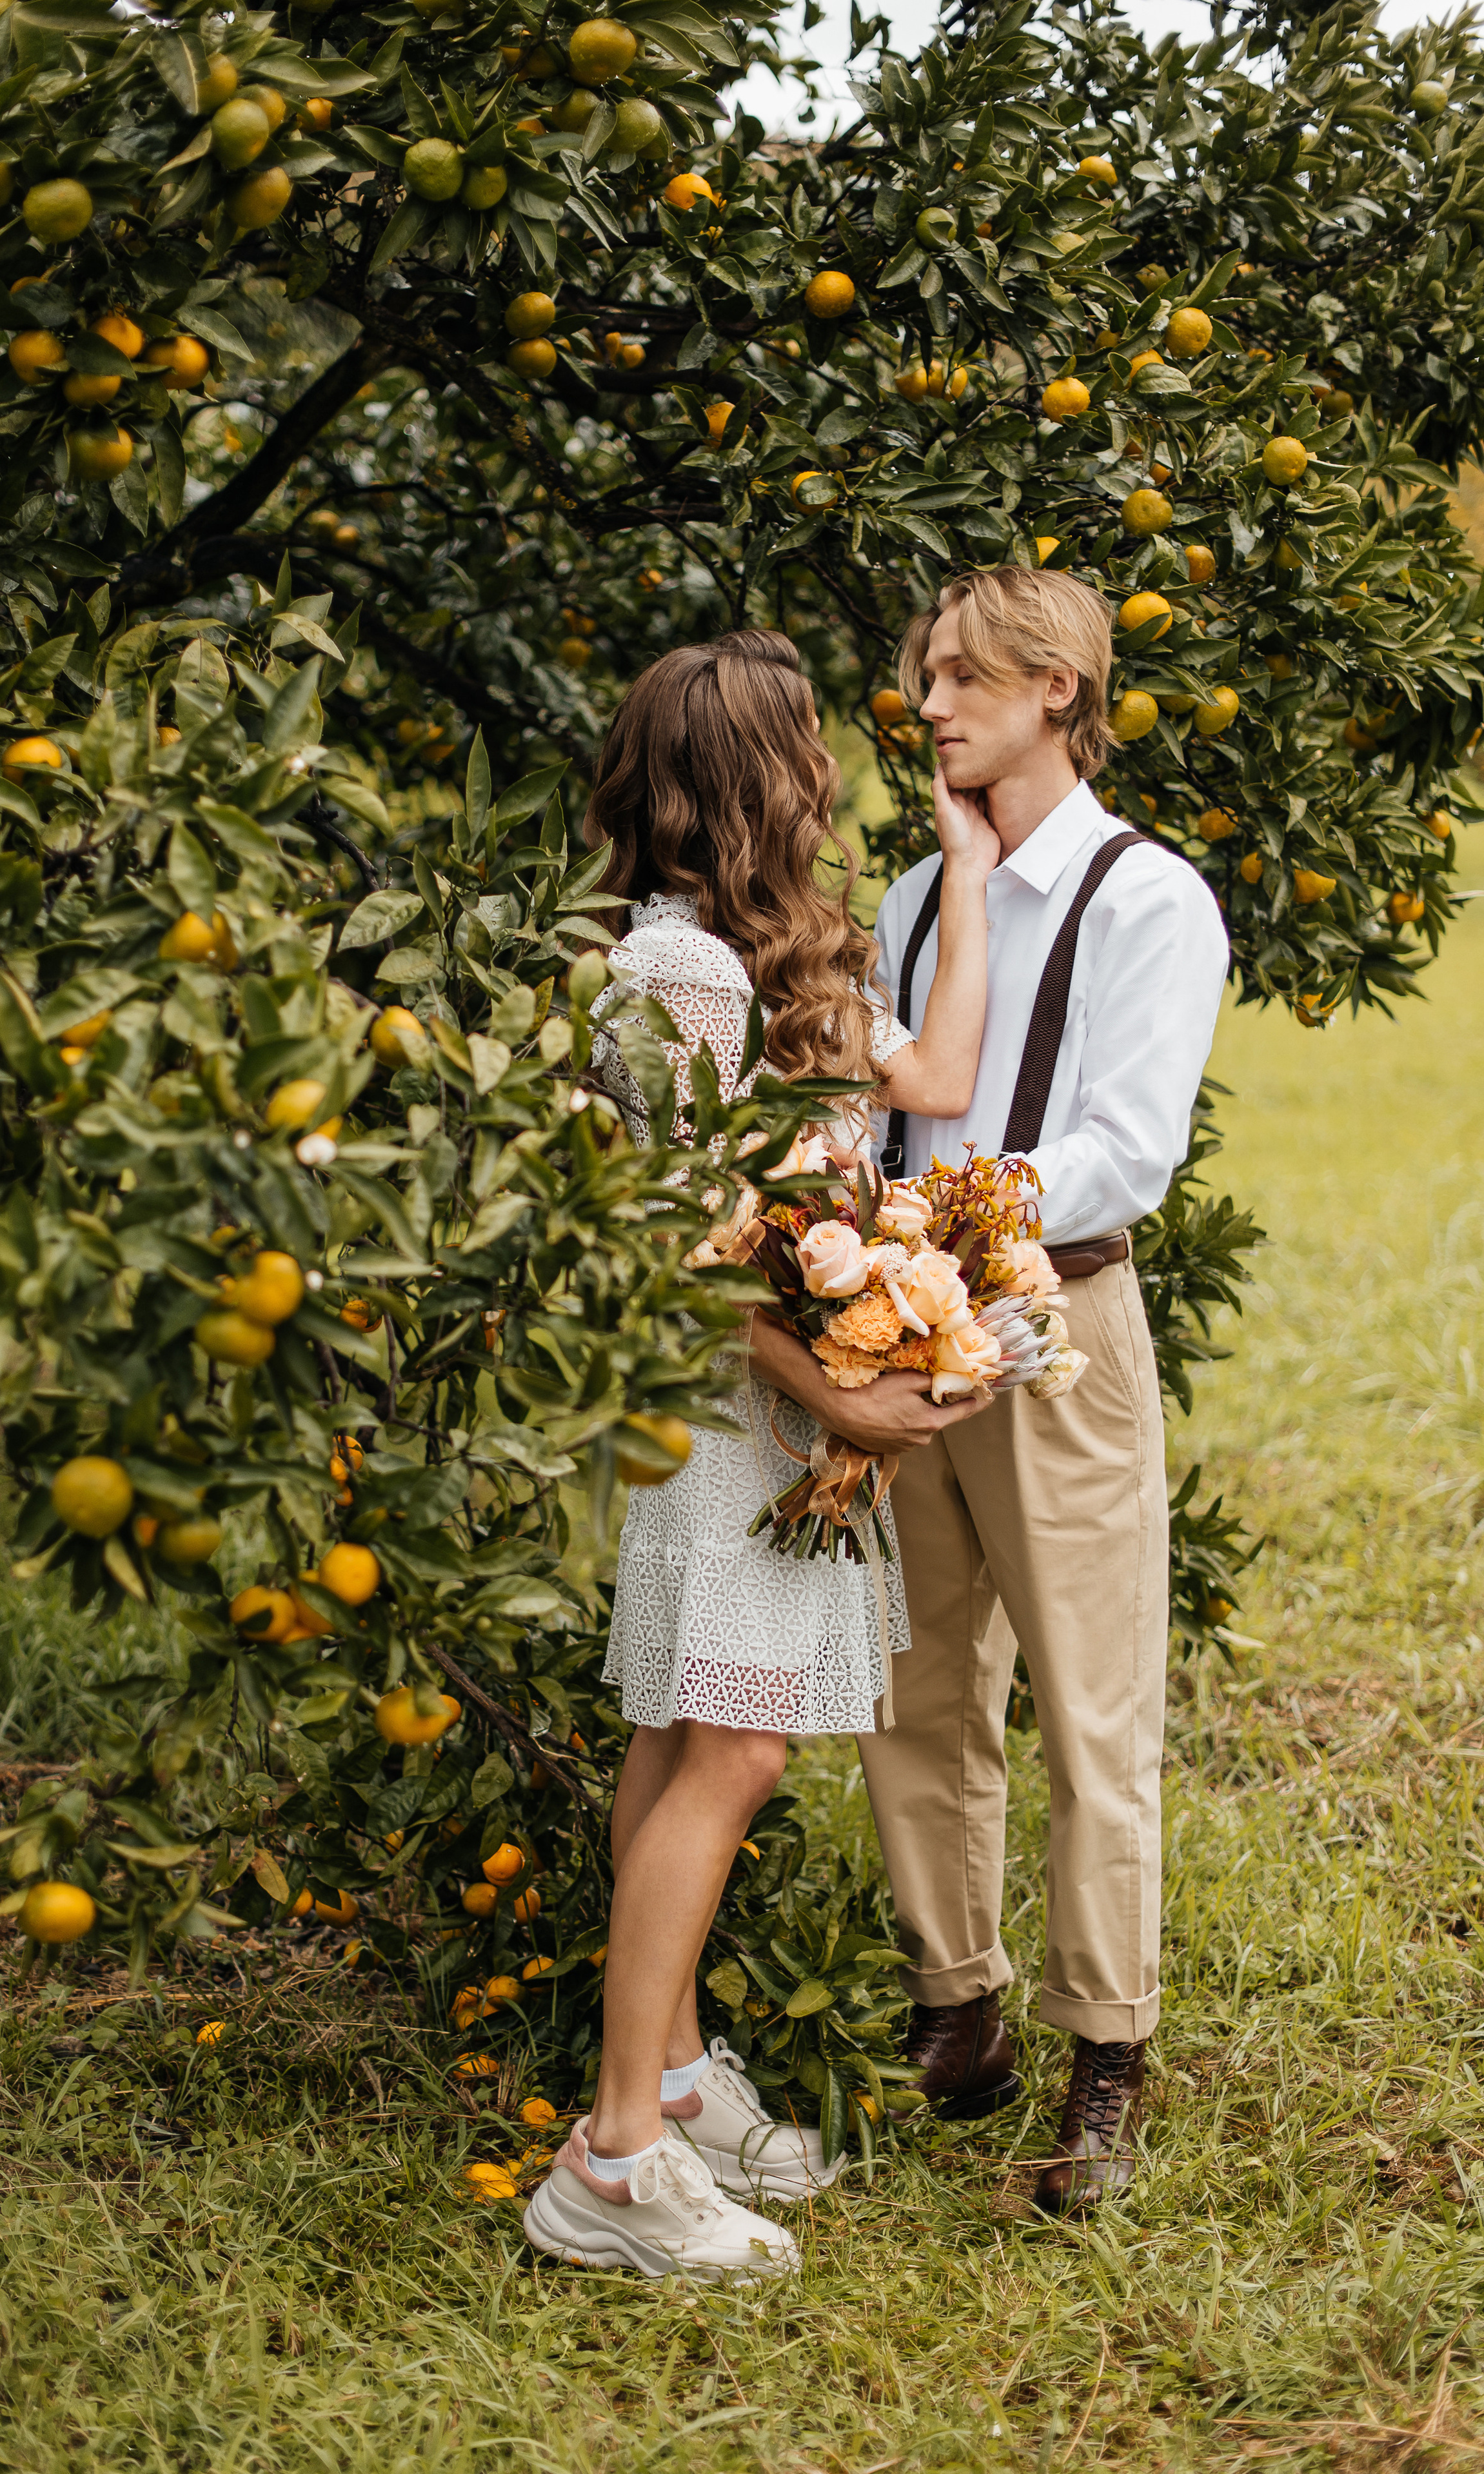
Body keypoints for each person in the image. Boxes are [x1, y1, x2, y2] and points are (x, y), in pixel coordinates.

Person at [748, 567, 1230, 2213]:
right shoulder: (905, 898)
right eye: (925, 678)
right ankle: (955, 2006)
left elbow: (1124, 1150)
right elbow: (882, 1106)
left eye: (963, 678)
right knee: (916, 1684)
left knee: (1092, 1710)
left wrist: (946, 1236)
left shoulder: (1145, 900)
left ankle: (1105, 2048)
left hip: (1057, 1336)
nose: (930, 704)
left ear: (1054, 692)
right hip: (901, 1343)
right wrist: (848, 1257)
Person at [521, 628, 999, 2281]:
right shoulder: (677, 971)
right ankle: (615, 2162)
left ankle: (659, 2075)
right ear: (756, 776)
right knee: (728, 1749)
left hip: (776, 1399)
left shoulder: (768, 956)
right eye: (804, 748)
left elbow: (932, 1079)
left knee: (684, 1732)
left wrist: (968, 878)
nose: (830, 772)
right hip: (735, 1407)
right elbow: (674, 1233)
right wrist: (839, 1392)